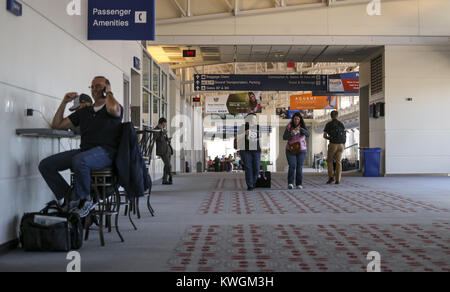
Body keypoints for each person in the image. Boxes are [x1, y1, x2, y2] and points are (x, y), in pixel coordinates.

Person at [38, 76, 123, 217]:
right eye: (92, 86)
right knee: (46, 165)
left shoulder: (112, 107)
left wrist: (109, 93)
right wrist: (64, 102)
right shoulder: (85, 111)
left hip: (106, 153)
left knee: (80, 160)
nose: (94, 89)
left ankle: (85, 199)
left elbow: (114, 109)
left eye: (98, 86)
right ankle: (70, 197)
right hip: (85, 152)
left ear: (106, 87)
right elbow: (57, 125)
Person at [283, 112, 310, 189]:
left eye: (298, 119)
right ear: (293, 119)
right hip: (290, 149)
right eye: (295, 119)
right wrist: (292, 133)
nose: (296, 120)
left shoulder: (303, 127)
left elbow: (308, 134)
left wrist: (301, 130)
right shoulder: (289, 126)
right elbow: (284, 137)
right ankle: (290, 183)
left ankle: (299, 184)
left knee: (299, 167)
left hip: (301, 149)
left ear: (300, 119)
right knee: (292, 166)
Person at [237, 113, 261, 191]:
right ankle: (250, 185)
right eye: (253, 119)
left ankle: (253, 182)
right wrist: (245, 133)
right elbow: (237, 137)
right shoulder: (242, 127)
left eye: (255, 119)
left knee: (257, 168)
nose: (255, 120)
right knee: (248, 168)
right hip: (245, 150)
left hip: (256, 150)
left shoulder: (258, 127)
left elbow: (259, 137)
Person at [323, 110, 347, 184]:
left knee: (329, 161)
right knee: (338, 162)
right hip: (341, 145)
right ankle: (338, 179)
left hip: (333, 145)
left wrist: (330, 138)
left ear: (331, 116)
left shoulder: (329, 124)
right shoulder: (341, 124)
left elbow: (324, 135)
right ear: (337, 116)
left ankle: (331, 177)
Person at [154, 117, 173, 185]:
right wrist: (162, 132)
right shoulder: (156, 130)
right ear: (161, 123)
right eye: (164, 123)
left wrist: (168, 139)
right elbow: (158, 139)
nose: (165, 125)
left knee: (166, 165)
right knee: (168, 165)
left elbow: (164, 139)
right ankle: (170, 176)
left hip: (167, 149)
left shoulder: (163, 130)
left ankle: (165, 180)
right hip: (162, 150)